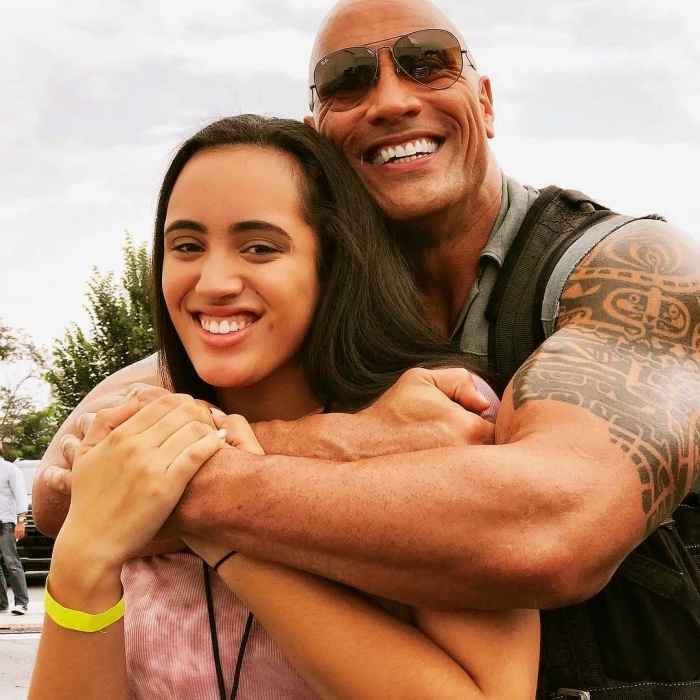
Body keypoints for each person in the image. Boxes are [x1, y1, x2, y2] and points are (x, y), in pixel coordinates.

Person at [34, 0, 700, 695]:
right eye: (347, 80)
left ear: (487, 101)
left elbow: (556, 530)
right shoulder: (280, 326)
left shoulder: (629, 269)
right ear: (318, 134)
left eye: (428, 63)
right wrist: (346, 437)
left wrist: (171, 481)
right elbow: (67, 483)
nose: (389, 100)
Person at [29, 114, 538, 700]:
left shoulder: (435, 429)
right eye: (187, 245)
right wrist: (82, 564)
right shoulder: (127, 445)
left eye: (260, 247)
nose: (215, 280)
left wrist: (226, 527)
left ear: (333, 261)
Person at [0, 442, 30, 615]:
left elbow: (20, 494)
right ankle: (2, 602)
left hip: (6, 522)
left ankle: (21, 602)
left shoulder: (10, 469)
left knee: (11, 562)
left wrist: (20, 520)